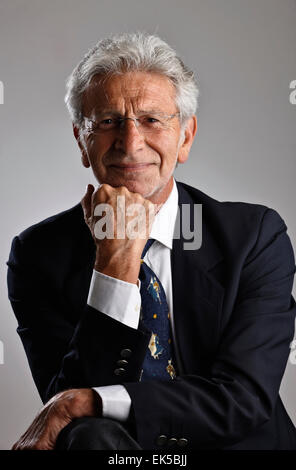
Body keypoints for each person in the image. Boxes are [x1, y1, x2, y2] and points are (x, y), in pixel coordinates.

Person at [7, 32, 296, 450]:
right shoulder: (38, 255)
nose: (130, 143)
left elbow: (243, 398)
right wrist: (115, 265)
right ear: (81, 141)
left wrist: (90, 401)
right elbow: (69, 426)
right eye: (108, 122)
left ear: (185, 137)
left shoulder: (254, 237)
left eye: (151, 120)